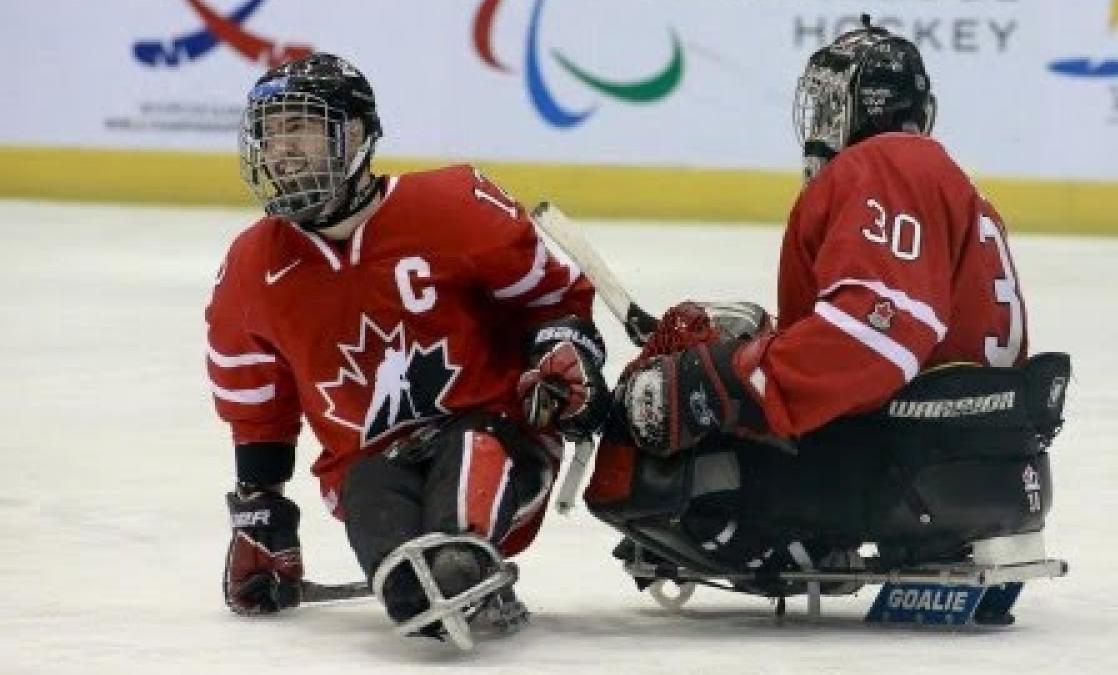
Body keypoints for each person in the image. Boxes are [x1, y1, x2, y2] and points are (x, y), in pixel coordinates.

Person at [592, 19, 1069, 590]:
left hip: (910, 463)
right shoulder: (937, 178)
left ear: (865, 107)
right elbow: (904, 330)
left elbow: (877, 334)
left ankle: (789, 539)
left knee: (661, 470)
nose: (817, 128)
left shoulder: (887, 164)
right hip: (982, 455)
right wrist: (757, 346)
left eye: (827, 107)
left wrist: (725, 381)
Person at [206, 53, 608, 645]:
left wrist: (565, 348)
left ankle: (468, 562)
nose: (282, 149)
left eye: (302, 127)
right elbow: (256, 407)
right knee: (405, 582)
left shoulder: (453, 206)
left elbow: (553, 300)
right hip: (369, 461)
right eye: (270, 134)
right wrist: (260, 517)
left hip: (498, 435)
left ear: (359, 136)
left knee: (467, 479)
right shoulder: (250, 268)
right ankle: (442, 578)